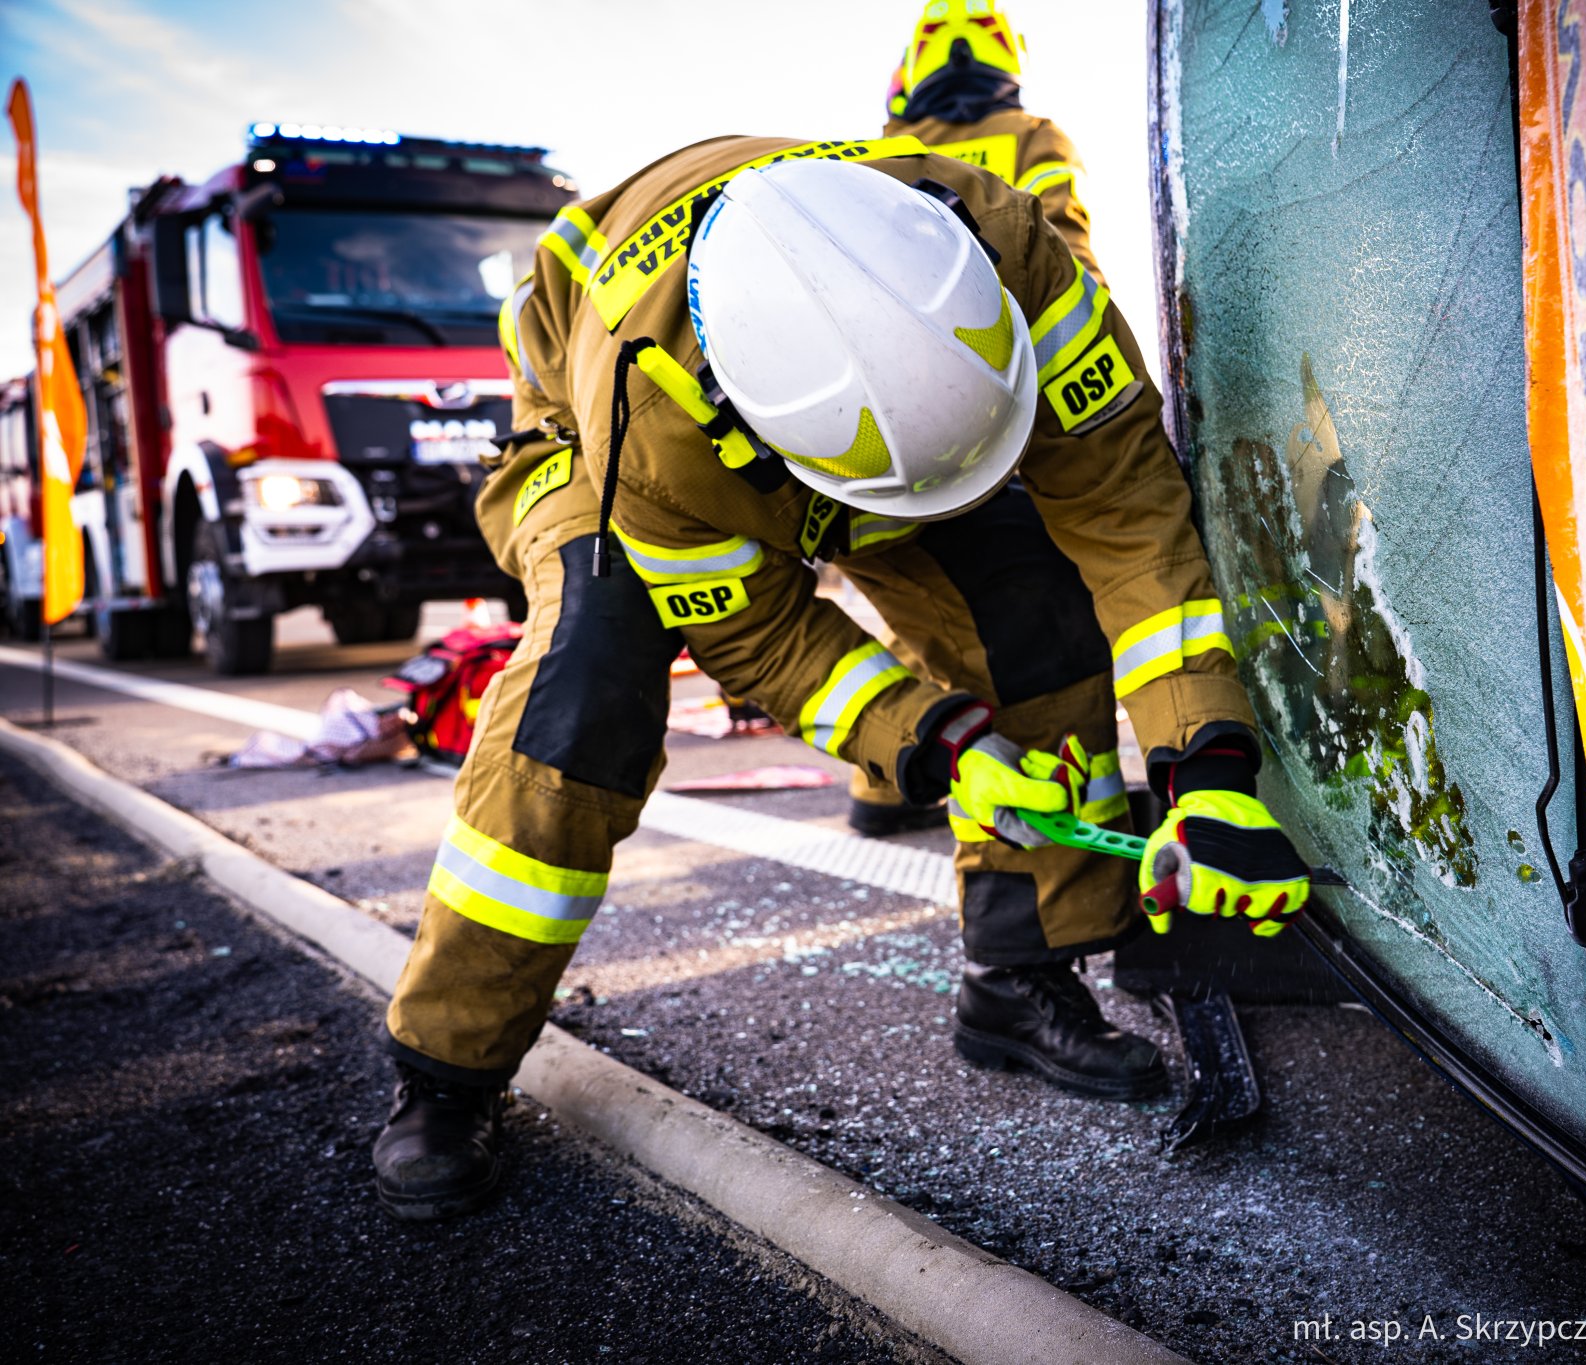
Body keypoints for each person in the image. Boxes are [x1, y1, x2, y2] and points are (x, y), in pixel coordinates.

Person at [371, 137, 1312, 1220]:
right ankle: (447, 1068)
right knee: (585, 688)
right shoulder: (652, 428)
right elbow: (764, 639)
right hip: (589, 426)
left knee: (1031, 603)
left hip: (878, 411)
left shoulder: (1020, 260)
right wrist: (943, 741)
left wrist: (1209, 770)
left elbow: (1131, 523)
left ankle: (1018, 978)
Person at [846, 0, 1101, 836]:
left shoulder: (884, 148)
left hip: (899, 395)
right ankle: (1047, 804)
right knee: (1023, 593)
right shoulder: (1033, 136)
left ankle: (885, 788)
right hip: (1007, 374)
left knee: (931, 596)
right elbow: (1065, 249)